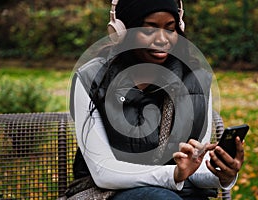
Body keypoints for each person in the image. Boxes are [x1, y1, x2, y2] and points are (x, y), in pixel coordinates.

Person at [68, 0, 245, 199]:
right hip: (108, 193)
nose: (162, 39)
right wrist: (173, 174)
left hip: (177, 191)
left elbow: (194, 170)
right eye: (149, 30)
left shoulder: (197, 81)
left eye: (170, 29)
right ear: (122, 32)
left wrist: (222, 174)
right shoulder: (91, 79)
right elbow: (103, 172)